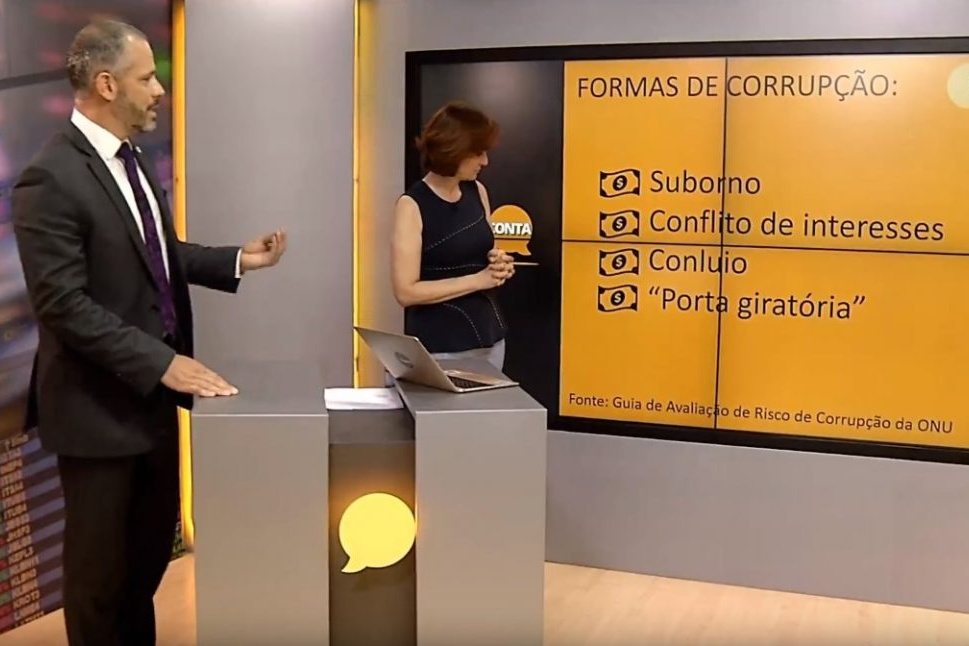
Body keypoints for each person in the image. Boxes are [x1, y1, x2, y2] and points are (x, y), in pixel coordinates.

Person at [10, 19, 287, 645]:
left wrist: (237, 259)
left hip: (151, 410)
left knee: (143, 570)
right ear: (107, 85)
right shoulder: (50, 178)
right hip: (97, 415)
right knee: (101, 584)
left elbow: (155, 255)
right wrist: (162, 363)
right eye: (147, 78)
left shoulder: (130, 161)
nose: (160, 90)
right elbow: (62, 304)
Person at [391, 101, 514, 371]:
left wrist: (498, 264)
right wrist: (478, 280)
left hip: (490, 340)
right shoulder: (412, 205)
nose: (485, 161)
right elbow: (406, 291)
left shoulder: (478, 191)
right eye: (478, 153)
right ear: (454, 150)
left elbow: (484, 254)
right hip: (440, 347)